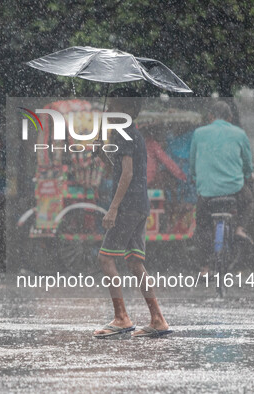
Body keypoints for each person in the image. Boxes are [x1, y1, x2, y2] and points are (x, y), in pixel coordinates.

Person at [93, 89, 171, 339]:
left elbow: (126, 174)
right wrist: (102, 153)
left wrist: (113, 208)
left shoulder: (123, 132)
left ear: (124, 111)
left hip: (127, 206)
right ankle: (157, 319)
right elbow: (122, 167)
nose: (107, 111)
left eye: (112, 105)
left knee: (105, 258)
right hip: (140, 204)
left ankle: (121, 317)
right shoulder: (132, 133)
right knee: (135, 262)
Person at [190, 101, 254, 261]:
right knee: (248, 201)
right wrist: (248, 175)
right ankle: (239, 229)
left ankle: (204, 268)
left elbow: (192, 165)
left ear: (210, 117)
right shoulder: (239, 134)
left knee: (203, 225)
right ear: (230, 118)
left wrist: (196, 178)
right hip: (235, 189)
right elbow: (247, 164)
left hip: (207, 191)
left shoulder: (198, 133)